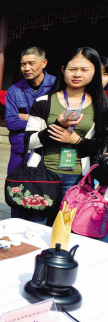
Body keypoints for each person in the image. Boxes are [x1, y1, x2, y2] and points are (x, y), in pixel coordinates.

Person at [25, 47, 108, 226]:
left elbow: (100, 147)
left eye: (85, 69)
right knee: (34, 226)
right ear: (63, 70)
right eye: (72, 69)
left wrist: (75, 140)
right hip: (43, 174)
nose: (77, 74)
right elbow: (30, 142)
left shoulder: (101, 106)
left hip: (78, 178)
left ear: (95, 72)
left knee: (64, 228)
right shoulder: (43, 103)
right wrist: (58, 126)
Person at [4, 47, 56, 217]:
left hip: (48, 150)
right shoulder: (14, 90)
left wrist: (26, 117)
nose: (26, 68)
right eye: (23, 64)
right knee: (16, 193)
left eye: (31, 63)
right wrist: (39, 120)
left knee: (47, 195)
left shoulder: (56, 86)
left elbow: (57, 120)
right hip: (20, 151)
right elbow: (11, 121)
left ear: (44, 63)